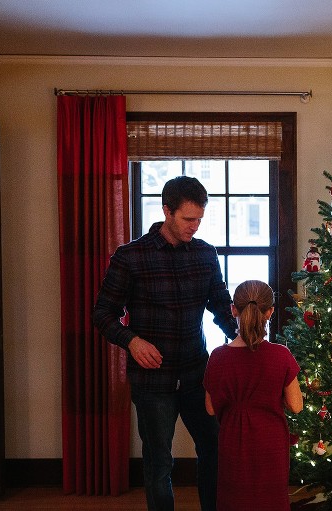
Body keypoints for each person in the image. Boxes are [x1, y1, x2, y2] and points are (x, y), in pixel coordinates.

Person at [93, 176, 236, 511]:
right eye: (188, 219)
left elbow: (220, 305)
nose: (195, 226)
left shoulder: (205, 254)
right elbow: (102, 314)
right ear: (167, 211)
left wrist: (246, 340)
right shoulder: (130, 257)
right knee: (159, 463)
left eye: (200, 219)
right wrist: (132, 340)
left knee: (214, 449)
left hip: (196, 374)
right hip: (152, 381)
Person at [203, 280, 303, 511]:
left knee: (234, 501)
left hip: (233, 442)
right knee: (271, 501)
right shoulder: (281, 355)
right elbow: (296, 406)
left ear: (233, 310)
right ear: (270, 312)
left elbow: (210, 408)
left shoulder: (218, 357)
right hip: (271, 443)